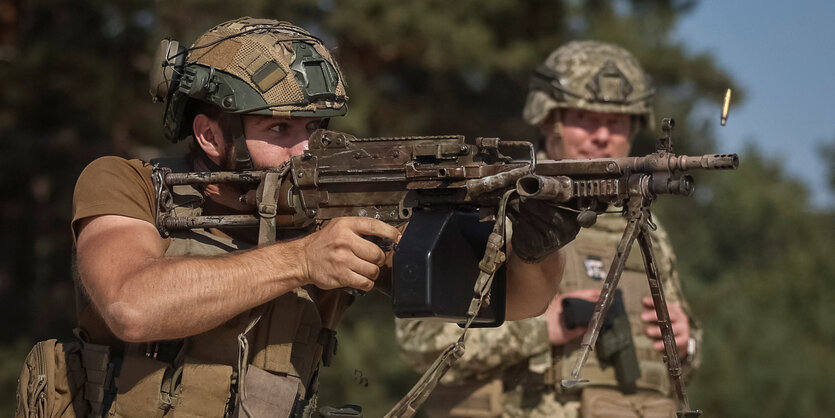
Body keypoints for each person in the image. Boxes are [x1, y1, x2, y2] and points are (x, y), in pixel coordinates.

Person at [14, 18, 577, 418]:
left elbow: (513, 302)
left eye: (314, 129)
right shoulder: (128, 183)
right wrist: (303, 260)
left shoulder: (329, 207)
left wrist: (535, 243)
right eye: (279, 130)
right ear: (211, 135)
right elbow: (131, 306)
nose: (305, 150)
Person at [396, 40, 703, 418]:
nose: (602, 136)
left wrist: (686, 343)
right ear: (547, 119)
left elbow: (679, 368)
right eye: (586, 119)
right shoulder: (491, 207)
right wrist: (543, 327)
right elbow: (420, 343)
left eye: (617, 122)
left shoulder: (643, 228)